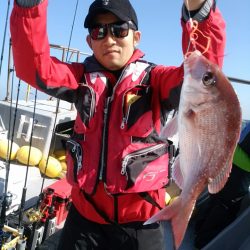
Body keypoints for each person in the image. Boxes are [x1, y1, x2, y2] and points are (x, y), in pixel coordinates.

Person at [10, 0, 226, 249]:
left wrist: (199, 13)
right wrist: (29, 7)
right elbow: (33, 68)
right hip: (83, 219)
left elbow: (203, 73)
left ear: (136, 37)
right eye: (98, 31)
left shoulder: (156, 80)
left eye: (119, 29)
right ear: (90, 42)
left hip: (141, 225)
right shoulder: (80, 79)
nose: (109, 39)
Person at [194, 121, 250, 249]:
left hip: (231, 182)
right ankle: (202, 240)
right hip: (230, 181)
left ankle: (201, 237)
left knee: (219, 206)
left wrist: (230, 147)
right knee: (218, 206)